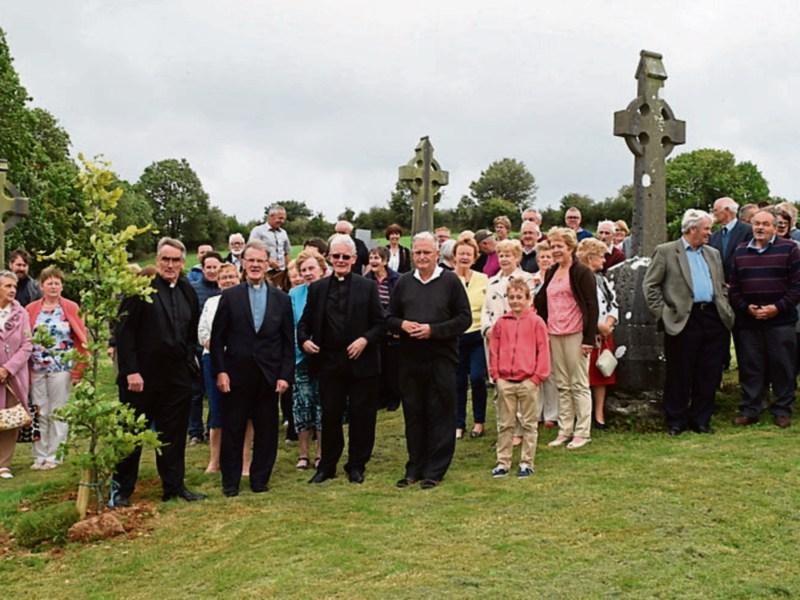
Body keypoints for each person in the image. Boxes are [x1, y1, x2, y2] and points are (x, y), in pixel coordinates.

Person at [112, 237, 206, 506]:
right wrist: (131, 371)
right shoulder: (140, 289)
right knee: (132, 434)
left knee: (174, 435)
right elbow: (124, 332)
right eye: (165, 259)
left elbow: (192, 332)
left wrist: (189, 364)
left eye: (176, 260)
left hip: (176, 377)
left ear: (182, 262)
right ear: (157, 260)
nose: (170, 264)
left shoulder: (187, 290)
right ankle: (122, 490)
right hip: (141, 378)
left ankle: (174, 487)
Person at [298, 234, 385, 485]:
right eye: (336, 256)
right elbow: (303, 324)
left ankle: (356, 465)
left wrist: (364, 340)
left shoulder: (367, 287)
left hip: (362, 362)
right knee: (330, 415)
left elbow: (380, 324)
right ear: (329, 258)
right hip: (329, 362)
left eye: (346, 257)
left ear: (355, 259)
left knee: (362, 416)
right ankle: (327, 466)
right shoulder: (317, 288)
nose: (340, 260)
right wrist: (304, 340)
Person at [211, 240, 294, 496]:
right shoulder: (230, 296)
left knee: (267, 431)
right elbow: (217, 339)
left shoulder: (281, 299)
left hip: (268, 377)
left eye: (260, 260)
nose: (256, 265)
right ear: (243, 264)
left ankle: (260, 479)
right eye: (251, 260)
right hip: (236, 375)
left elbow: (287, 343)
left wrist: (284, 375)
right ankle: (231, 482)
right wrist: (221, 371)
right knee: (233, 429)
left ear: (267, 263)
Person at [388, 232, 471, 489]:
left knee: (441, 413)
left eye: (427, 252)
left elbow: (464, 319)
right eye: (417, 253)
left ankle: (435, 470)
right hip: (410, 359)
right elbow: (389, 317)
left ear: (437, 254)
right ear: (412, 255)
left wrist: (433, 330)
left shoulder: (450, 281)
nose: (422, 257)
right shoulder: (403, 282)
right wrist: (403, 324)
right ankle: (415, 466)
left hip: (441, 358)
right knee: (414, 413)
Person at [643, 209, 734, 435]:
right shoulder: (666, 252)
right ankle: (676, 420)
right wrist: (664, 313)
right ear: (692, 229)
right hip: (683, 318)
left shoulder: (712, 253)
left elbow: (720, 284)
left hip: (713, 317)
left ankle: (701, 420)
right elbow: (650, 286)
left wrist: (725, 306)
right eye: (706, 229)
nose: (709, 233)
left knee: (710, 371)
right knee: (680, 372)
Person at [729, 209, 800, 428]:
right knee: (751, 366)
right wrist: (746, 307)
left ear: (774, 227)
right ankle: (751, 409)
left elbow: (797, 286)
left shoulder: (790, 250)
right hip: (749, 321)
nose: (760, 228)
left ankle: (782, 409)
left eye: (765, 224)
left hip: (781, 320)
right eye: (756, 223)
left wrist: (777, 308)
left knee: (783, 366)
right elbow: (734, 289)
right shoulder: (740, 251)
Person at [534, 227, 598, 450]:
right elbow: (542, 299)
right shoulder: (551, 272)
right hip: (554, 333)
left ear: (570, 247)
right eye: (552, 246)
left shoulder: (582, 272)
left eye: (559, 246)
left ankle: (582, 432)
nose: (555, 250)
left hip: (576, 333)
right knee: (561, 384)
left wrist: (589, 338)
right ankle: (565, 429)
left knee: (579, 383)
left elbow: (592, 305)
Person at [26, 266, 88, 470]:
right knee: (39, 410)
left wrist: (79, 368)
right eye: (49, 283)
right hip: (36, 367)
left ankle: (55, 454)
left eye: (57, 283)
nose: (53, 286)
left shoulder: (70, 307)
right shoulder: (31, 309)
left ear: (62, 286)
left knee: (58, 410)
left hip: (61, 366)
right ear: (41, 286)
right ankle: (40, 454)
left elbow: (81, 338)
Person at [488, 278, 550, 478]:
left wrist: (537, 377)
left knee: (529, 424)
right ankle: (503, 461)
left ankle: (526, 461)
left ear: (528, 299)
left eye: (519, 297)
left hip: (528, 380)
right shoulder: (501, 323)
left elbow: (543, 350)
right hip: (505, 380)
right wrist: (496, 375)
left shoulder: (536, 322)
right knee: (505, 424)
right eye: (511, 297)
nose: (515, 301)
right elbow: (494, 350)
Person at [197, 262, 242, 474]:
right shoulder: (211, 302)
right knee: (216, 410)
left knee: (242, 411)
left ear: (239, 278)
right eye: (224, 278)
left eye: (232, 277)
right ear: (218, 281)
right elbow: (203, 334)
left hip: (240, 361)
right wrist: (218, 346)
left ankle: (241, 458)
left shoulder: (246, 301)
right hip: (213, 360)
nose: (228, 281)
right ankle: (214, 460)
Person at [288, 250, 328, 470]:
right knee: (302, 405)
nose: (307, 273)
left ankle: (322, 452)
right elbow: (290, 325)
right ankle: (303, 454)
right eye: (303, 270)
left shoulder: (330, 289)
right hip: (300, 357)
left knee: (322, 405)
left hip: (326, 358)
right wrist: (302, 343)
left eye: (311, 268)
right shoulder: (294, 294)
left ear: (321, 269)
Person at [576, 239, 618, 430]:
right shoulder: (576, 278)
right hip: (584, 334)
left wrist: (609, 323)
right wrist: (596, 326)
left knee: (602, 375)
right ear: (590, 257)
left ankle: (599, 415)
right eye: (601, 256)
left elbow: (613, 303)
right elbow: (579, 308)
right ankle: (582, 415)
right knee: (582, 377)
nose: (604, 260)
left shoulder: (602, 279)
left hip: (604, 335)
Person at [453, 238, 489, 440]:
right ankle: (458, 423)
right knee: (457, 381)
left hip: (477, 336)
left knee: (476, 378)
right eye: (461, 253)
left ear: (475, 258)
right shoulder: (448, 279)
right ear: (454, 257)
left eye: (469, 254)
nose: (465, 257)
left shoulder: (484, 279)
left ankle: (479, 421)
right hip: (456, 337)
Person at [0, 270, 32, 481]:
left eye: (14, 286)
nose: (12, 290)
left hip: (13, 376)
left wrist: (7, 368)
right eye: (7, 286)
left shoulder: (22, 314)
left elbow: (27, 344)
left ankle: (3, 464)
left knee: (9, 419)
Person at [188, 251, 222, 444]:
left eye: (214, 267)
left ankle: (212, 427)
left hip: (215, 351)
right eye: (207, 267)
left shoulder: (224, 291)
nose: (211, 271)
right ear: (202, 269)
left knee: (213, 391)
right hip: (196, 347)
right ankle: (194, 431)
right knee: (195, 391)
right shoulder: (193, 289)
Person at [364, 246, 401, 411]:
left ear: (385, 261)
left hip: (392, 327)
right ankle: (380, 398)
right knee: (378, 365)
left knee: (392, 365)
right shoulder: (366, 280)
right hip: (376, 327)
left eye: (377, 258)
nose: (373, 261)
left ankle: (394, 397)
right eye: (371, 258)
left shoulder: (396, 279)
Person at [531, 241, 559, 428]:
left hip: (552, 327)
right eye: (542, 257)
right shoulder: (530, 279)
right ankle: (537, 412)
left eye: (548, 257)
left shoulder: (557, 278)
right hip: (533, 328)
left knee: (551, 371)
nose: (545, 260)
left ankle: (552, 413)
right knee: (535, 370)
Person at [709, 197, 753, 282]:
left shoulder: (748, 231)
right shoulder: (714, 237)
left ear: (727, 210)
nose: (713, 214)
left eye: (715, 210)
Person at [249, 205, 291, 290]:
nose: (282, 221)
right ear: (271, 216)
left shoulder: (283, 233)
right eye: (280, 218)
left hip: (281, 273)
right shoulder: (258, 231)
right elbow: (251, 250)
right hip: (266, 272)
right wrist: (268, 261)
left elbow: (286, 252)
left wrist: (289, 269)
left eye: (283, 219)